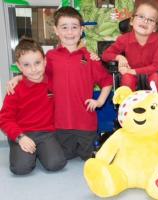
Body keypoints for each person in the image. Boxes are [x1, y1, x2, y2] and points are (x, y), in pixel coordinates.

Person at [7, 7, 113, 161]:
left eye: (74, 27)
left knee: (90, 158)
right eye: (64, 27)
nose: (70, 32)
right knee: (64, 158)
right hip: (60, 124)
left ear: (81, 29)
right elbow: (36, 73)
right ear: (56, 30)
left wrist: (100, 101)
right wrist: (18, 78)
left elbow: (107, 81)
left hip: (86, 122)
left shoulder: (89, 58)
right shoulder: (50, 57)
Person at [0, 38, 67, 175]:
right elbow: (4, 119)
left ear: (45, 62)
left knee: (56, 164)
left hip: (46, 133)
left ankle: (40, 151)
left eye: (37, 63)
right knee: (21, 169)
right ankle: (22, 151)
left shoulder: (52, 80)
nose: (33, 69)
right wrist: (20, 137)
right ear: (19, 67)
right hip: (22, 133)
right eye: (26, 65)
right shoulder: (15, 90)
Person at [102, 0, 158, 91]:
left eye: (151, 20)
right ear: (131, 21)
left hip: (150, 74)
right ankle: (127, 104)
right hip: (130, 76)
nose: (145, 21)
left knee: (156, 78)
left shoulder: (157, 39)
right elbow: (105, 55)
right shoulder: (124, 39)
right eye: (141, 16)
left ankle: (156, 103)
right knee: (127, 78)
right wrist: (119, 57)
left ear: (155, 28)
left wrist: (133, 71)